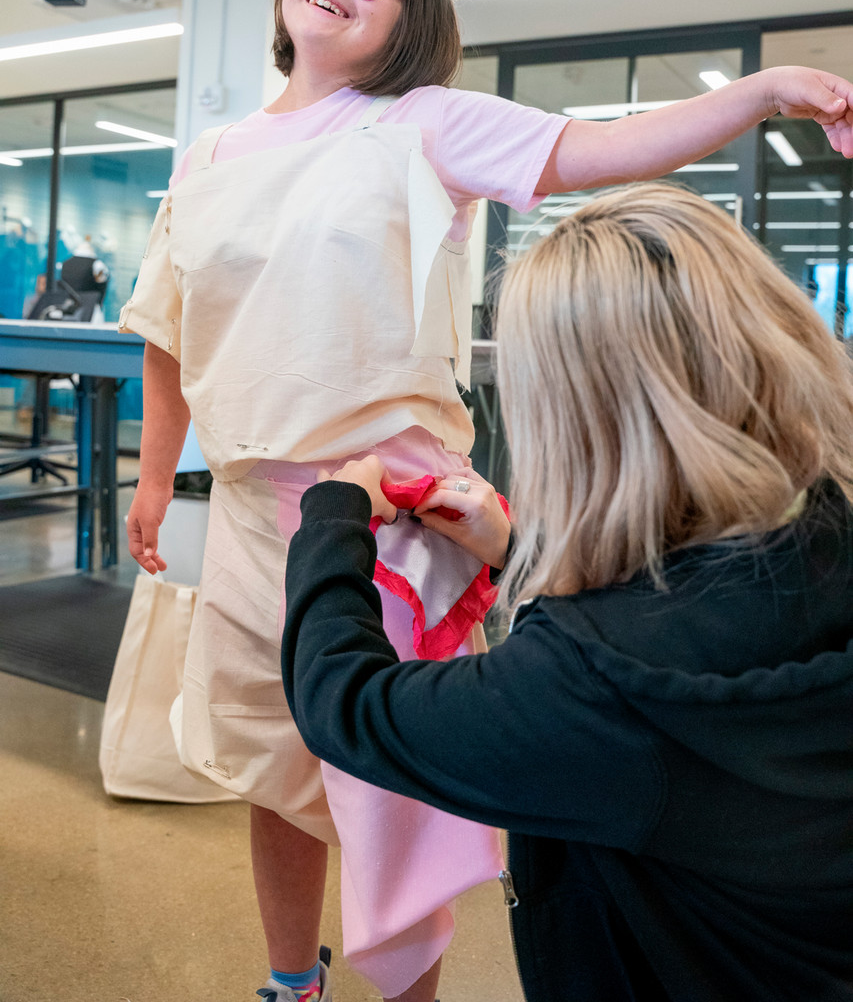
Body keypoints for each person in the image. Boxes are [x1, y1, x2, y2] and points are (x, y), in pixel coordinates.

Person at [121, 0, 853, 1002]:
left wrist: (761, 95)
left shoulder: (420, 121)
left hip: (390, 504)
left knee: (388, 788)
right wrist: (150, 473)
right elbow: (169, 329)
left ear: (412, 19)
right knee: (274, 768)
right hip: (243, 505)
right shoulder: (211, 150)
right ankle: (290, 978)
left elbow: (599, 150)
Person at [282, 181, 853, 1002]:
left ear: (571, 416)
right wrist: (516, 554)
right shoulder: (824, 537)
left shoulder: (590, 687)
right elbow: (685, 612)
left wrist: (332, 516)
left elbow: (346, 702)